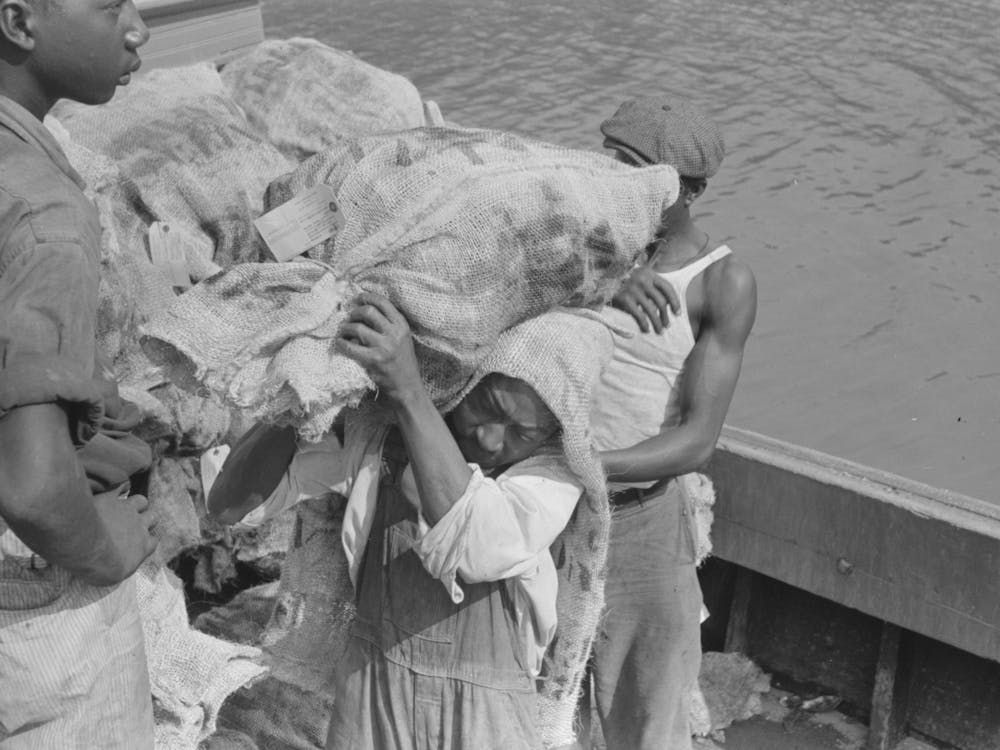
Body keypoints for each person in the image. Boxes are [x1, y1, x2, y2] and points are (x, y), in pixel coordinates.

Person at [209, 294, 614, 750]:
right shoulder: (381, 439)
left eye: (521, 432)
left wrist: (407, 390)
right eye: (487, 407)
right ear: (462, 381)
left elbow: (474, 544)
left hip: (486, 718)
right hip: (372, 694)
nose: (489, 437)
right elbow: (230, 506)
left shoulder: (551, 476)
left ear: (552, 435)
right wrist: (301, 388)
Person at [0, 1, 157, 747]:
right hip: (36, 623)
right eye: (107, 6)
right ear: (19, 23)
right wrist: (107, 548)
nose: (136, 28)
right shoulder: (44, 214)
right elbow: (31, 489)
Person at [589, 97, 758, 750]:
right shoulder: (583, 252)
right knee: (543, 700)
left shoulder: (721, 283)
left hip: (638, 522)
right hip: (540, 506)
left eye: (634, 170)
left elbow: (696, 440)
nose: (612, 183)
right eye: (609, 162)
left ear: (687, 190)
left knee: (645, 718)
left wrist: (582, 466)